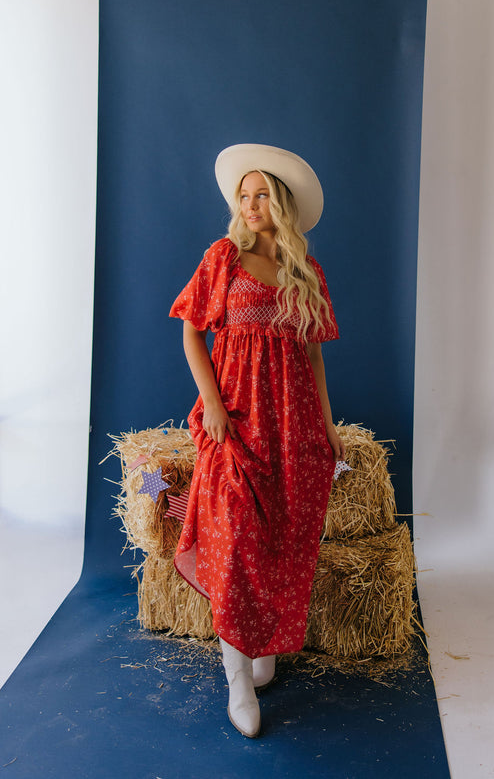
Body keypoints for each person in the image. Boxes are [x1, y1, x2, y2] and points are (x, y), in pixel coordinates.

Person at [169, 143, 344, 738]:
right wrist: (214, 406)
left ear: (282, 202)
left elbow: (313, 356)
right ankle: (237, 678)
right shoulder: (223, 258)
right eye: (243, 197)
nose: (249, 205)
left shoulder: (306, 272)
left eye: (261, 194)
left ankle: (263, 643)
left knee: (282, 536)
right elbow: (192, 334)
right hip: (237, 421)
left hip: (292, 426)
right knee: (236, 538)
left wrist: (326, 423)